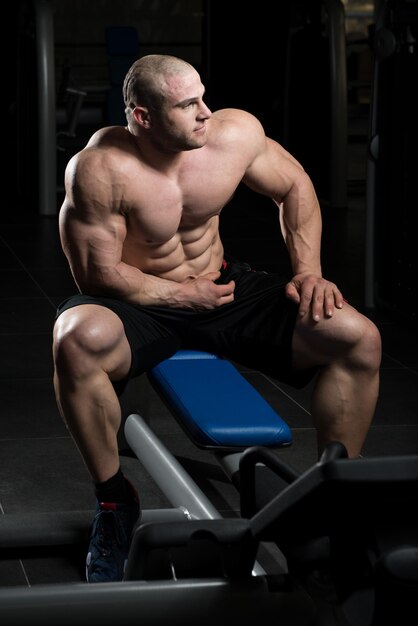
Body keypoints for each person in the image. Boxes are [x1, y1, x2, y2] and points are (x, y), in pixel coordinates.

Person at [52, 54, 382, 583]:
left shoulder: (233, 134)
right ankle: (115, 503)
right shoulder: (100, 169)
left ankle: (334, 496)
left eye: (204, 96)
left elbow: (294, 186)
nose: (206, 112)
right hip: (140, 300)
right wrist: (179, 298)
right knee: (75, 339)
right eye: (188, 106)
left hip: (221, 285)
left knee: (356, 337)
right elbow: (99, 275)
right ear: (143, 118)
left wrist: (310, 272)